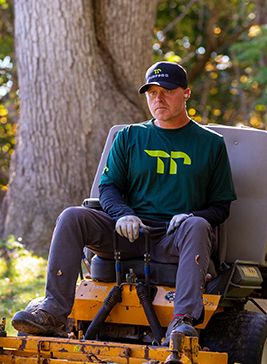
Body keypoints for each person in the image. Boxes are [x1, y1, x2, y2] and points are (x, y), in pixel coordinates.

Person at [12, 61, 236, 341]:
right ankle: (52, 311)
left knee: (199, 226)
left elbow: (221, 206)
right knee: (72, 216)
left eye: (166, 91)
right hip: (128, 233)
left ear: (186, 93)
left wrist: (191, 216)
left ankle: (183, 321)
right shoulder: (129, 137)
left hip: (175, 238)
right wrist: (123, 215)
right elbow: (108, 188)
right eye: (152, 92)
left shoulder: (211, 144)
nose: (159, 98)